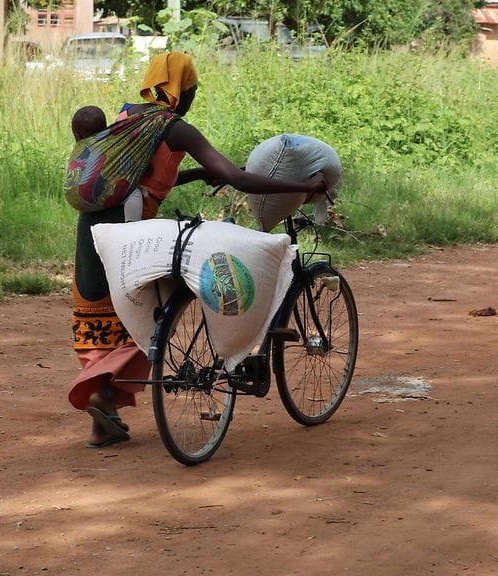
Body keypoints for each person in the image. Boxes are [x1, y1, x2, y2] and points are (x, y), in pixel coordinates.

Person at [68, 52, 327, 449]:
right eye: (192, 90)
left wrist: (193, 173)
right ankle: (111, 392)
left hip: (93, 228)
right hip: (132, 230)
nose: (192, 97)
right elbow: (237, 178)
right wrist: (301, 188)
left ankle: (105, 412)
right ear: (183, 90)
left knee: (100, 310)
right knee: (160, 307)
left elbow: (140, 178)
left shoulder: (126, 117)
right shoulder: (175, 127)